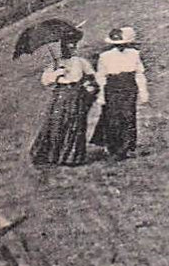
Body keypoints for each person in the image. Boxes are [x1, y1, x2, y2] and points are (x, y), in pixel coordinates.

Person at [31, 31, 96, 167]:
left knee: (75, 125)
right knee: (56, 125)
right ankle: (51, 156)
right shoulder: (56, 63)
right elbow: (45, 80)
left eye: (74, 44)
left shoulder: (80, 62)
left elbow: (91, 77)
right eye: (68, 44)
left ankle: (71, 158)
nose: (71, 46)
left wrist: (88, 85)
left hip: (76, 96)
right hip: (60, 96)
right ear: (62, 46)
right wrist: (57, 73)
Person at [91, 27, 147, 162]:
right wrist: (101, 95)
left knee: (129, 116)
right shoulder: (105, 57)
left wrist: (143, 91)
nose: (120, 47)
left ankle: (128, 147)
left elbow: (139, 73)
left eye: (122, 44)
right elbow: (101, 76)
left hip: (128, 88)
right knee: (112, 118)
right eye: (117, 44)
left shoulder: (134, 54)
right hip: (112, 88)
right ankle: (112, 148)